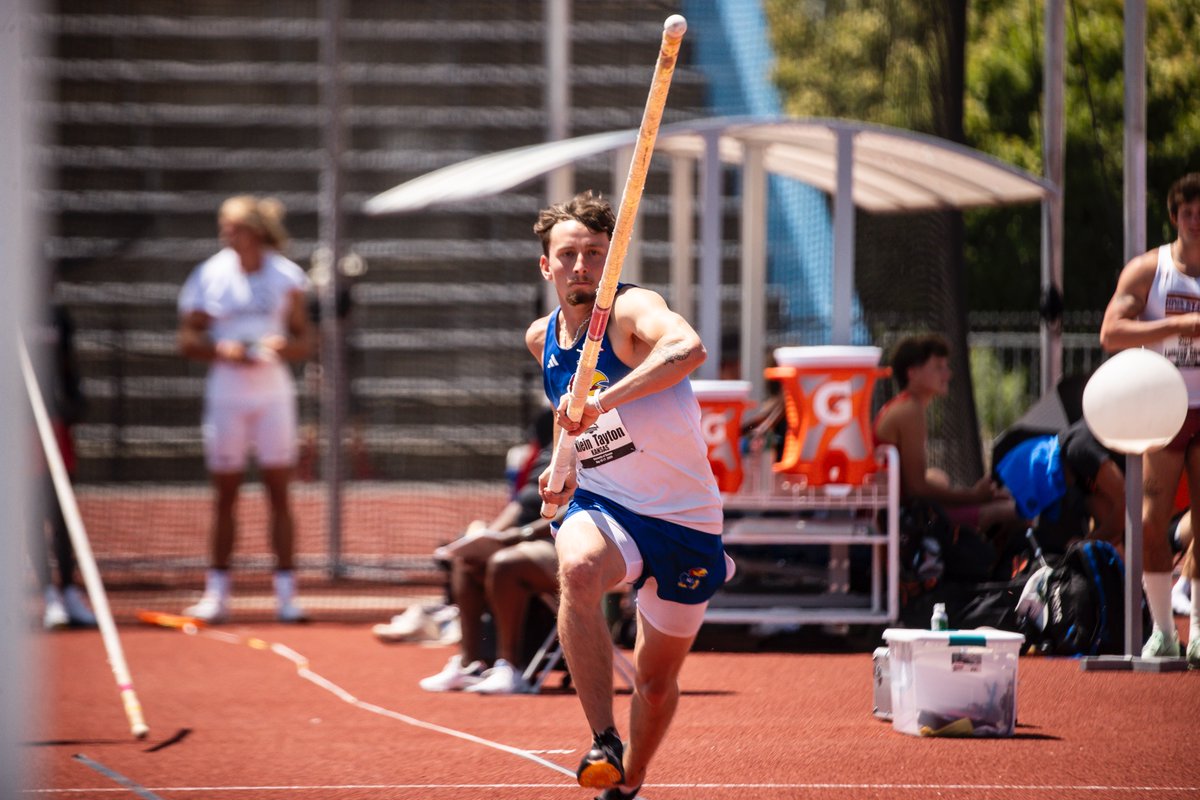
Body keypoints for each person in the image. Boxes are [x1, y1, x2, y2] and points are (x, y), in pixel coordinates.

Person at [528, 191, 728, 800]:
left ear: (613, 259)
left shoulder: (630, 310)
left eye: (595, 253)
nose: (581, 266)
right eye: (569, 255)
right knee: (579, 570)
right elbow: (574, 423)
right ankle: (602, 740)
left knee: (657, 684)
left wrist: (604, 399)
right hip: (606, 505)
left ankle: (629, 779)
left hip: (685, 518)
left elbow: (688, 349)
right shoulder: (541, 339)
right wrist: (562, 466)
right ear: (547, 265)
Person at [177, 195, 314, 623]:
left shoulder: (285, 275)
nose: (226, 234)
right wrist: (223, 349)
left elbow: (304, 340)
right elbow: (187, 339)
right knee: (225, 493)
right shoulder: (210, 275)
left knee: (279, 490)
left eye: (233, 226)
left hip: (272, 394)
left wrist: (281, 346)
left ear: (254, 231)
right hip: (227, 392)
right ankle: (217, 594)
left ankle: (287, 595)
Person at [1099, 171, 1200, 663]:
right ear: (1174, 216)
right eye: (1188, 213)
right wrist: (1177, 326)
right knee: (1149, 518)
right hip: (1163, 407)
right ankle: (1163, 630)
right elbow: (1111, 332)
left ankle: (1197, 630)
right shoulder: (1148, 270)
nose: (1196, 222)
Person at [413, 410, 562, 695]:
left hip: (568, 541)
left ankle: (510, 669)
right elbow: (524, 502)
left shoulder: (598, 444)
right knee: (468, 558)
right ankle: (470, 665)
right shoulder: (554, 444)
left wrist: (519, 536)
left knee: (505, 564)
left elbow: (580, 506)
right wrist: (488, 536)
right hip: (526, 540)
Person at [874, 333, 1017, 535]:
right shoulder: (909, 410)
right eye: (938, 367)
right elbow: (916, 489)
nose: (947, 374)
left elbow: (916, 485)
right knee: (1015, 511)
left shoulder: (906, 406)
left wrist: (974, 495)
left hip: (902, 514)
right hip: (904, 520)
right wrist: (975, 496)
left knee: (940, 478)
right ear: (912, 373)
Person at [29, 302, 97, 630]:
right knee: (33, 512)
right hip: (22, 427)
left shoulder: (57, 316)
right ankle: (48, 595)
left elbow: (68, 366)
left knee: (63, 512)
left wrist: (75, 401)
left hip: (57, 425)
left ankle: (69, 591)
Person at [992, 418, 1126, 553]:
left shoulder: (1076, 450)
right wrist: (1085, 546)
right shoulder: (1078, 481)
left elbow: (1126, 500)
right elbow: (1113, 524)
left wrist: (1087, 544)